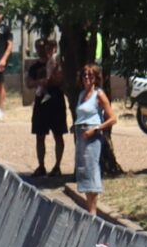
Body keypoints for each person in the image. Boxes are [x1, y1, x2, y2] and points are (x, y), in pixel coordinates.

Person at [70, 63, 113, 214]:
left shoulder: (99, 94)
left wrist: (95, 129)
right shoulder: (82, 94)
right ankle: (89, 209)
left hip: (92, 135)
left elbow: (112, 118)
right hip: (81, 134)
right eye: (85, 75)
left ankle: (93, 211)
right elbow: (82, 114)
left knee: (92, 168)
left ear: (96, 78)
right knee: (84, 170)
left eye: (90, 75)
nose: (87, 78)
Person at [30, 37, 68, 175]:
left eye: (45, 47)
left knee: (58, 135)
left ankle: (57, 166)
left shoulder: (57, 63)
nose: (42, 50)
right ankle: (41, 166)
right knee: (40, 135)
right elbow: (29, 83)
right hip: (41, 103)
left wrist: (50, 81)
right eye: (39, 47)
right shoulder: (35, 67)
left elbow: (60, 80)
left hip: (56, 101)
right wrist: (40, 82)